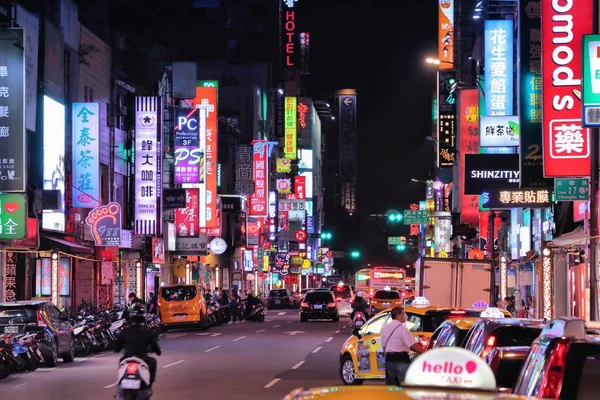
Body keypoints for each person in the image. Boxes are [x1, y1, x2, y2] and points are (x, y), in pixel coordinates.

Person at [115, 303, 162, 389]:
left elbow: (117, 348)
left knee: (121, 363)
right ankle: (149, 386)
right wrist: (157, 351)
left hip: (127, 358)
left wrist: (121, 347)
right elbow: (156, 348)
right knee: (153, 362)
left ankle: (120, 386)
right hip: (142, 358)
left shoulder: (125, 331)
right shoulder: (147, 331)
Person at [380, 306, 425, 386]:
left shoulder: (384, 329)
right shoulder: (403, 329)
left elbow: (384, 347)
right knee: (403, 384)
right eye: (404, 314)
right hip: (401, 359)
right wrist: (425, 352)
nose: (405, 316)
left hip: (389, 359)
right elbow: (412, 345)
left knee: (391, 385)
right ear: (397, 316)